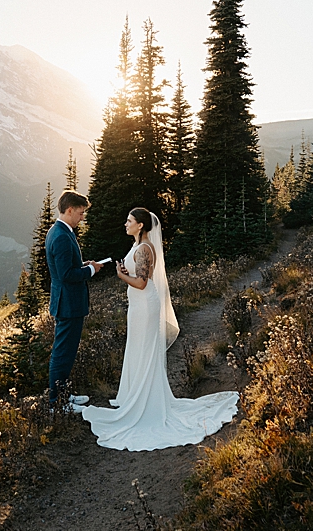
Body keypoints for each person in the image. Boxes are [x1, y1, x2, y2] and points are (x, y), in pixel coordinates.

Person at [81, 208, 239, 450]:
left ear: (141, 226)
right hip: (138, 305)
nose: (125, 224)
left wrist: (120, 276)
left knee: (145, 351)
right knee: (137, 349)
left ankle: (146, 403)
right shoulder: (138, 245)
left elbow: (143, 283)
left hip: (145, 305)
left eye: (129, 221)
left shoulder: (144, 248)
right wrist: (125, 272)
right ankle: (135, 396)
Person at [45, 190, 104, 410]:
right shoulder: (61, 236)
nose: (82, 218)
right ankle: (56, 402)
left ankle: (64, 394)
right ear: (69, 210)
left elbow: (68, 268)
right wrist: (90, 270)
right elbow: (66, 275)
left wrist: (84, 265)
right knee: (62, 352)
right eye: (80, 213)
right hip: (68, 304)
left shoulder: (60, 231)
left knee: (67, 351)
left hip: (68, 302)